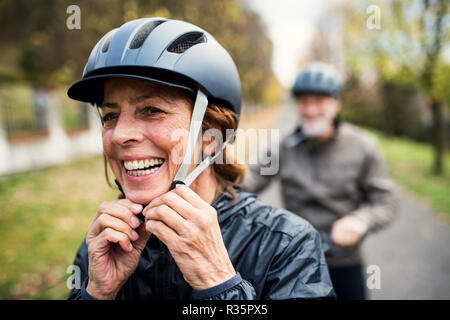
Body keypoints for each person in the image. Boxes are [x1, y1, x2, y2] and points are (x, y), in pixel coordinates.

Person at [66, 18, 334, 300]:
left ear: (210, 135)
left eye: (151, 110)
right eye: (111, 116)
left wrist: (219, 283)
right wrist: (96, 294)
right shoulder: (103, 242)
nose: (120, 135)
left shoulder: (287, 244)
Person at [242, 62, 396, 300]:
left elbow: (385, 202)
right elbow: (248, 181)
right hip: (296, 260)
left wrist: (360, 220)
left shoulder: (364, 146)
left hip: (345, 260)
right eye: (304, 102)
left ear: (337, 103)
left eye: (320, 101)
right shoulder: (283, 146)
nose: (311, 109)